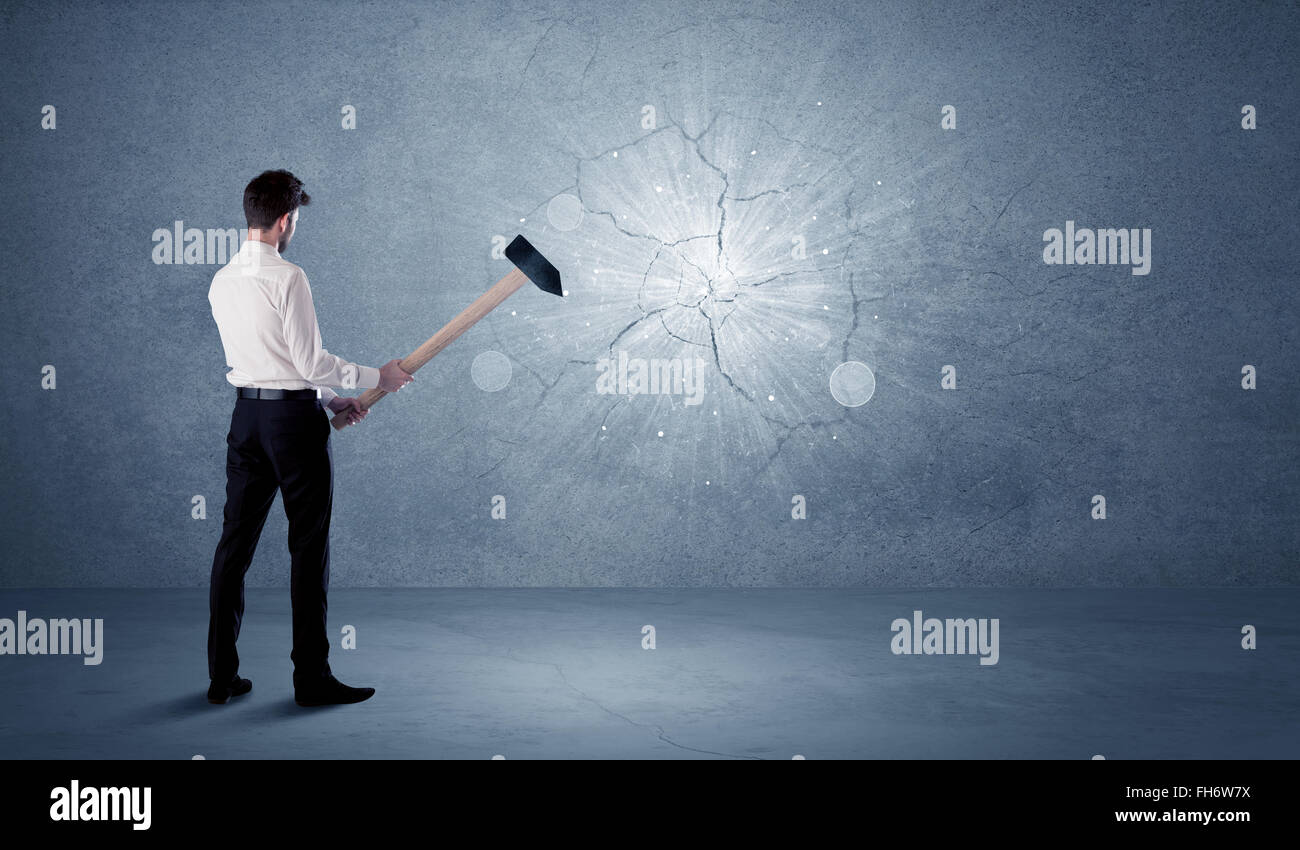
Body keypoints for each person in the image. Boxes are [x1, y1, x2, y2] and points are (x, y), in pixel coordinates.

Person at [205, 169, 413, 706]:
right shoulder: (289, 277)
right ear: (285, 221)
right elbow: (308, 361)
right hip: (293, 428)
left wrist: (326, 399)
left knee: (234, 547)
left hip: (247, 420)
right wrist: (377, 377)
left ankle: (221, 676)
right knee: (308, 548)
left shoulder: (221, 280)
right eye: (295, 219)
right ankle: (311, 680)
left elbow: (270, 364)